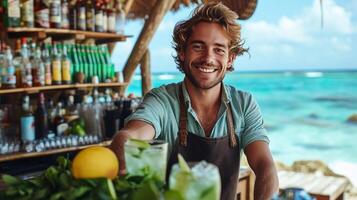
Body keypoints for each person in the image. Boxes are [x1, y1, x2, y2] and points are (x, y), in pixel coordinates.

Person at [110, 2, 279, 200]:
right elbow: (132, 135)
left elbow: (265, 165)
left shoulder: (244, 104)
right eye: (198, 47)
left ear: (230, 59)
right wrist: (123, 149)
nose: (208, 58)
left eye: (219, 50)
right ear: (182, 52)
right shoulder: (162, 100)